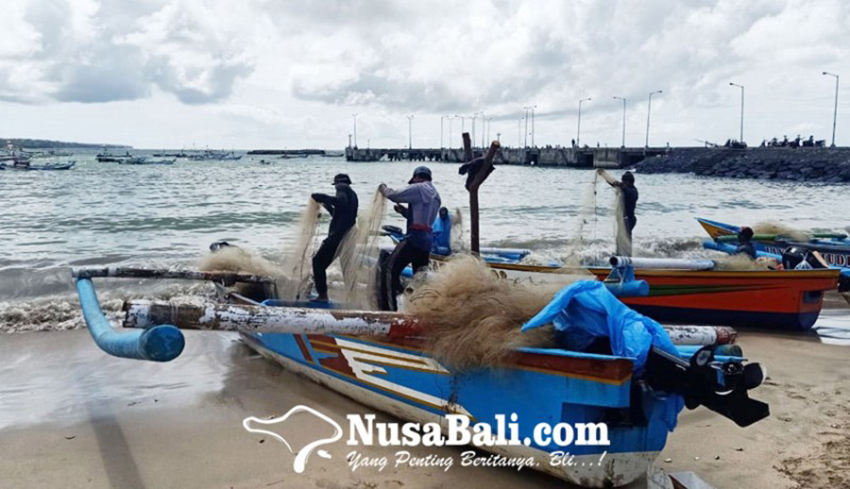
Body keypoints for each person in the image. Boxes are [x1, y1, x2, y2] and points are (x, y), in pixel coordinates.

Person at [379, 166, 441, 310]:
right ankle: (421, 309)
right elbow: (423, 219)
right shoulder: (436, 195)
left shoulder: (418, 187)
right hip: (426, 241)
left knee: (388, 269)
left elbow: (393, 194)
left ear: (417, 178)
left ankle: (388, 311)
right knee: (420, 278)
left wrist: (382, 187)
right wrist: (403, 211)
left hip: (414, 238)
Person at [309, 173, 358, 302]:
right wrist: (328, 206)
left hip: (337, 237)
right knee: (347, 268)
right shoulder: (353, 195)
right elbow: (341, 213)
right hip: (349, 236)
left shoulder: (342, 189)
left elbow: (340, 202)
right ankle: (352, 296)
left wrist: (323, 197)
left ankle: (323, 296)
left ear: (338, 184)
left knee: (317, 262)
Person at [604, 171, 639, 256]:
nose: (623, 182)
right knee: (619, 239)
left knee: (625, 239)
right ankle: (620, 255)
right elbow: (615, 184)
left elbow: (627, 191)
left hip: (628, 219)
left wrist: (621, 185)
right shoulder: (623, 188)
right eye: (622, 180)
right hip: (622, 219)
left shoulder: (633, 191)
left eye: (624, 181)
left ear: (629, 182)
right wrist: (604, 175)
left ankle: (627, 257)